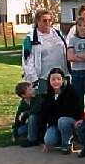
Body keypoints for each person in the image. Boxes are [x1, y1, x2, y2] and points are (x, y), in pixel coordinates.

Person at [20, 9, 69, 147]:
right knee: (39, 108)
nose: (47, 23)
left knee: (59, 106)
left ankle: (58, 134)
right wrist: (33, 80)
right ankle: (33, 137)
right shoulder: (31, 38)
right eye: (44, 20)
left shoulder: (58, 34)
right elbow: (27, 61)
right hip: (42, 79)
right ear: (37, 21)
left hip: (60, 77)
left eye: (49, 20)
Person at [40, 68, 82, 154]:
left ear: (63, 80)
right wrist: (44, 142)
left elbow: (74, 112)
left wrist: (57, 112)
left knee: (62, 120)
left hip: (70, 122)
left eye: (58, 79)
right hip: (55, 124)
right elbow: (44, 116)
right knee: (49, 140)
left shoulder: (70, 91)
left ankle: (66, 145)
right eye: (53, 79)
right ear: (49, 81)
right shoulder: (48, 95)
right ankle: (62, 138)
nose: (56, 82)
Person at [67, 16, 85, 109]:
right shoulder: (72, 40)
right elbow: (69, 57)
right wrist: (84, 56)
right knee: (78, 99)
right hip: (76, 72)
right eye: (80, 25)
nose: (82, 28)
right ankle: (79, 119)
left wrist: (77, 55)